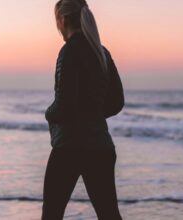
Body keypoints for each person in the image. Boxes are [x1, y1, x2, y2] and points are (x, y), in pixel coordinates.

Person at [42, 0, 124, 219]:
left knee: (51, 213)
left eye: (56, 20)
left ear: (63, 20)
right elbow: (117, 102)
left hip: (70, 147)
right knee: (109, 214)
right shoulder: (102, 51)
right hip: (101, 146)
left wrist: (48, 113)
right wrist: (93, 114)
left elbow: (64, 105)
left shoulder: (69, 51)